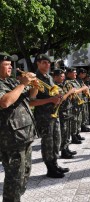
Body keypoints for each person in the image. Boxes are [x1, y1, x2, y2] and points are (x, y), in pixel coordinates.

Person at [0, 53, 38, 201]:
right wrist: (23, 83)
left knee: (24, 175)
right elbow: (5, 102)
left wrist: (33, 85)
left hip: (24, 135)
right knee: (14, 179)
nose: (10, 66)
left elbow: (31, 98)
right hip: (11, 139)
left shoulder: (10, 82)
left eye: (11, 63)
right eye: (6, 64)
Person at [31, 54, 67, 178]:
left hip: (53, 114)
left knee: (57, 139)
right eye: (44, 63)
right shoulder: (34, 79)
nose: (47, 65)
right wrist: (51, 100)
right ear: (38, 64)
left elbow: (54, 92)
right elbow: (31, 102)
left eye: (48, 63)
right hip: (43, 116)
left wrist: (59, 96)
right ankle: (50, 168)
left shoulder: (49, 77)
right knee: (47, 142)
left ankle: (55, 163)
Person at [53, 69, 77, 159]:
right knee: (63, 132)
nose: (62, 78)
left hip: (68, 110)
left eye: (63, 76)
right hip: (61, 112)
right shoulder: (55, 86)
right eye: (60, 76)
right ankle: (63, 150)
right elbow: (61, 99)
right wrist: (69, 92)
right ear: (55, 77)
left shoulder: (64, 85)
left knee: (67, 131)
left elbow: (68, 97)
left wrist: (71, 94)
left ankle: (66, 148)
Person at [65, 67, 89, 144]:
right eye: (74, 72)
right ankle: (73, 135)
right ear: (68, 73)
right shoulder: (68, 82)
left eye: (76, 72)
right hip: (73, 104)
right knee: (74, 121)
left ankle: (77, 133)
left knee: (79, 119)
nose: (75, 74)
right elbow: (74, 92)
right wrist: (83, 89)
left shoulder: (75, 80)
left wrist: (85, 90)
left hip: (78, 103)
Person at [77, 68, 90, 132]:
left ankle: (84, 125)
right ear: (80, 74)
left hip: (84, 98)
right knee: (82, 113)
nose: (85, 75)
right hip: (81, 98)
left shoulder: (81, 80)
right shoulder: (77, 80)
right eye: (84, 73)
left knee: (85, 113)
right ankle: (82, 126)